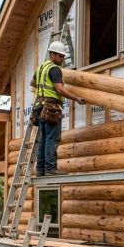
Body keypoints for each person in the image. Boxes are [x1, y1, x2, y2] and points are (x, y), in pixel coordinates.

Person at [30, 40, 86, 176]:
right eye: (60, 56)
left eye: (63, 56)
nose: (62, 59)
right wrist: (76, 99)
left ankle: (40, 170)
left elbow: (32, 83)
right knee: (52, 138)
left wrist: (43, 90)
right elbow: (59, 89)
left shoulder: (41, 68)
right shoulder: (54, 69)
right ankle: (50, 169)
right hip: (51, 108)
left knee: (44, 138)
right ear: (52, 54)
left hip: (39, 107)